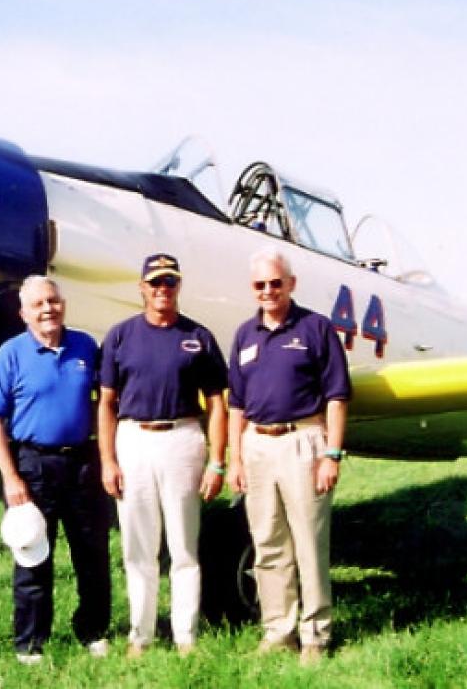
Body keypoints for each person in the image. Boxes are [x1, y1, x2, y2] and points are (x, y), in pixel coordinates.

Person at [98, 253, 228, 657]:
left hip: (183, 438)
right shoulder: (120, 337)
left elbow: (218, 403)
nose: (162, 290)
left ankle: (185, 634)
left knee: (184, 547)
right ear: (141, 287)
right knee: (139, 548)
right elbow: (105, 403)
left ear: (178, 286)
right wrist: (107, 460)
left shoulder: (199, 337)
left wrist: (216, 460)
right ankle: (142, 635)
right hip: (134, 438)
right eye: (155, 282)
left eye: (169, 282)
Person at [226, 247, 351, 664]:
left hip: (304, 442)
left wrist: (331, 454)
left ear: (291, 284)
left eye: (275, 283)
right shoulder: (245, 335)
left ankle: (315, 635)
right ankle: (278, 629)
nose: (268, 291)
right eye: (260, 285)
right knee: (267, 543)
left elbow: (336, 396)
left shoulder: (316, 329)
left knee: (308, 544)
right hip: (256, 446)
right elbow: (237, 405)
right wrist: (236, 459)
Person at [0, 275, 112, 664]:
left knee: (92, 553)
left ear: (63, 304)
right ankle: (30, 641)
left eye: (52, 301)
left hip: (82, 464)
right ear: (23, 313)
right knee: (33, 553)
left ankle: (93, 630)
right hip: (33, 465)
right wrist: (10, 477)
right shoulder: (10, 353)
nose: (47, 310)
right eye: (38, 304)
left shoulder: (85, 347)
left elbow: (102, 404)